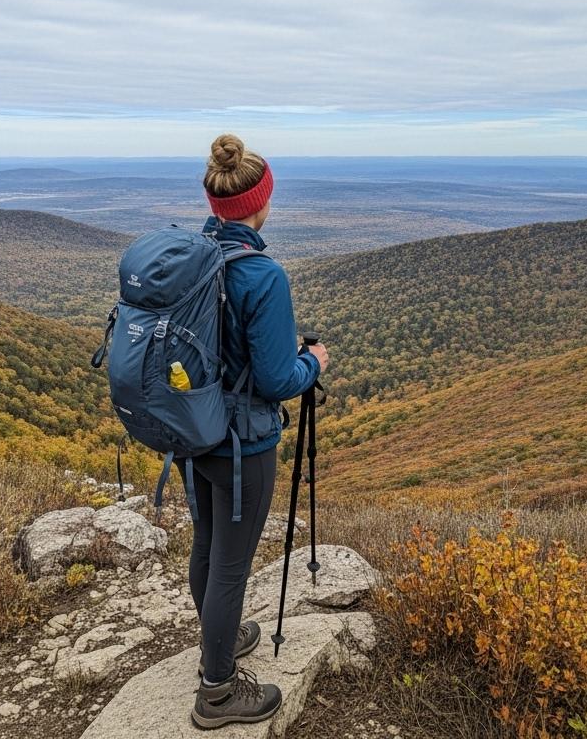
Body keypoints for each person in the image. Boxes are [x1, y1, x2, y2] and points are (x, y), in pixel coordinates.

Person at [186, 133, 331, 729]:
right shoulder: (262, 276)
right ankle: (217, 692)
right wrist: (314, 362)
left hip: (194, 428)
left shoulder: (195, 257)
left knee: (207, 545)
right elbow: (276, 379)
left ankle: (220, 639)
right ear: (260, 201)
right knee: (231, 566)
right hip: (245, 442)